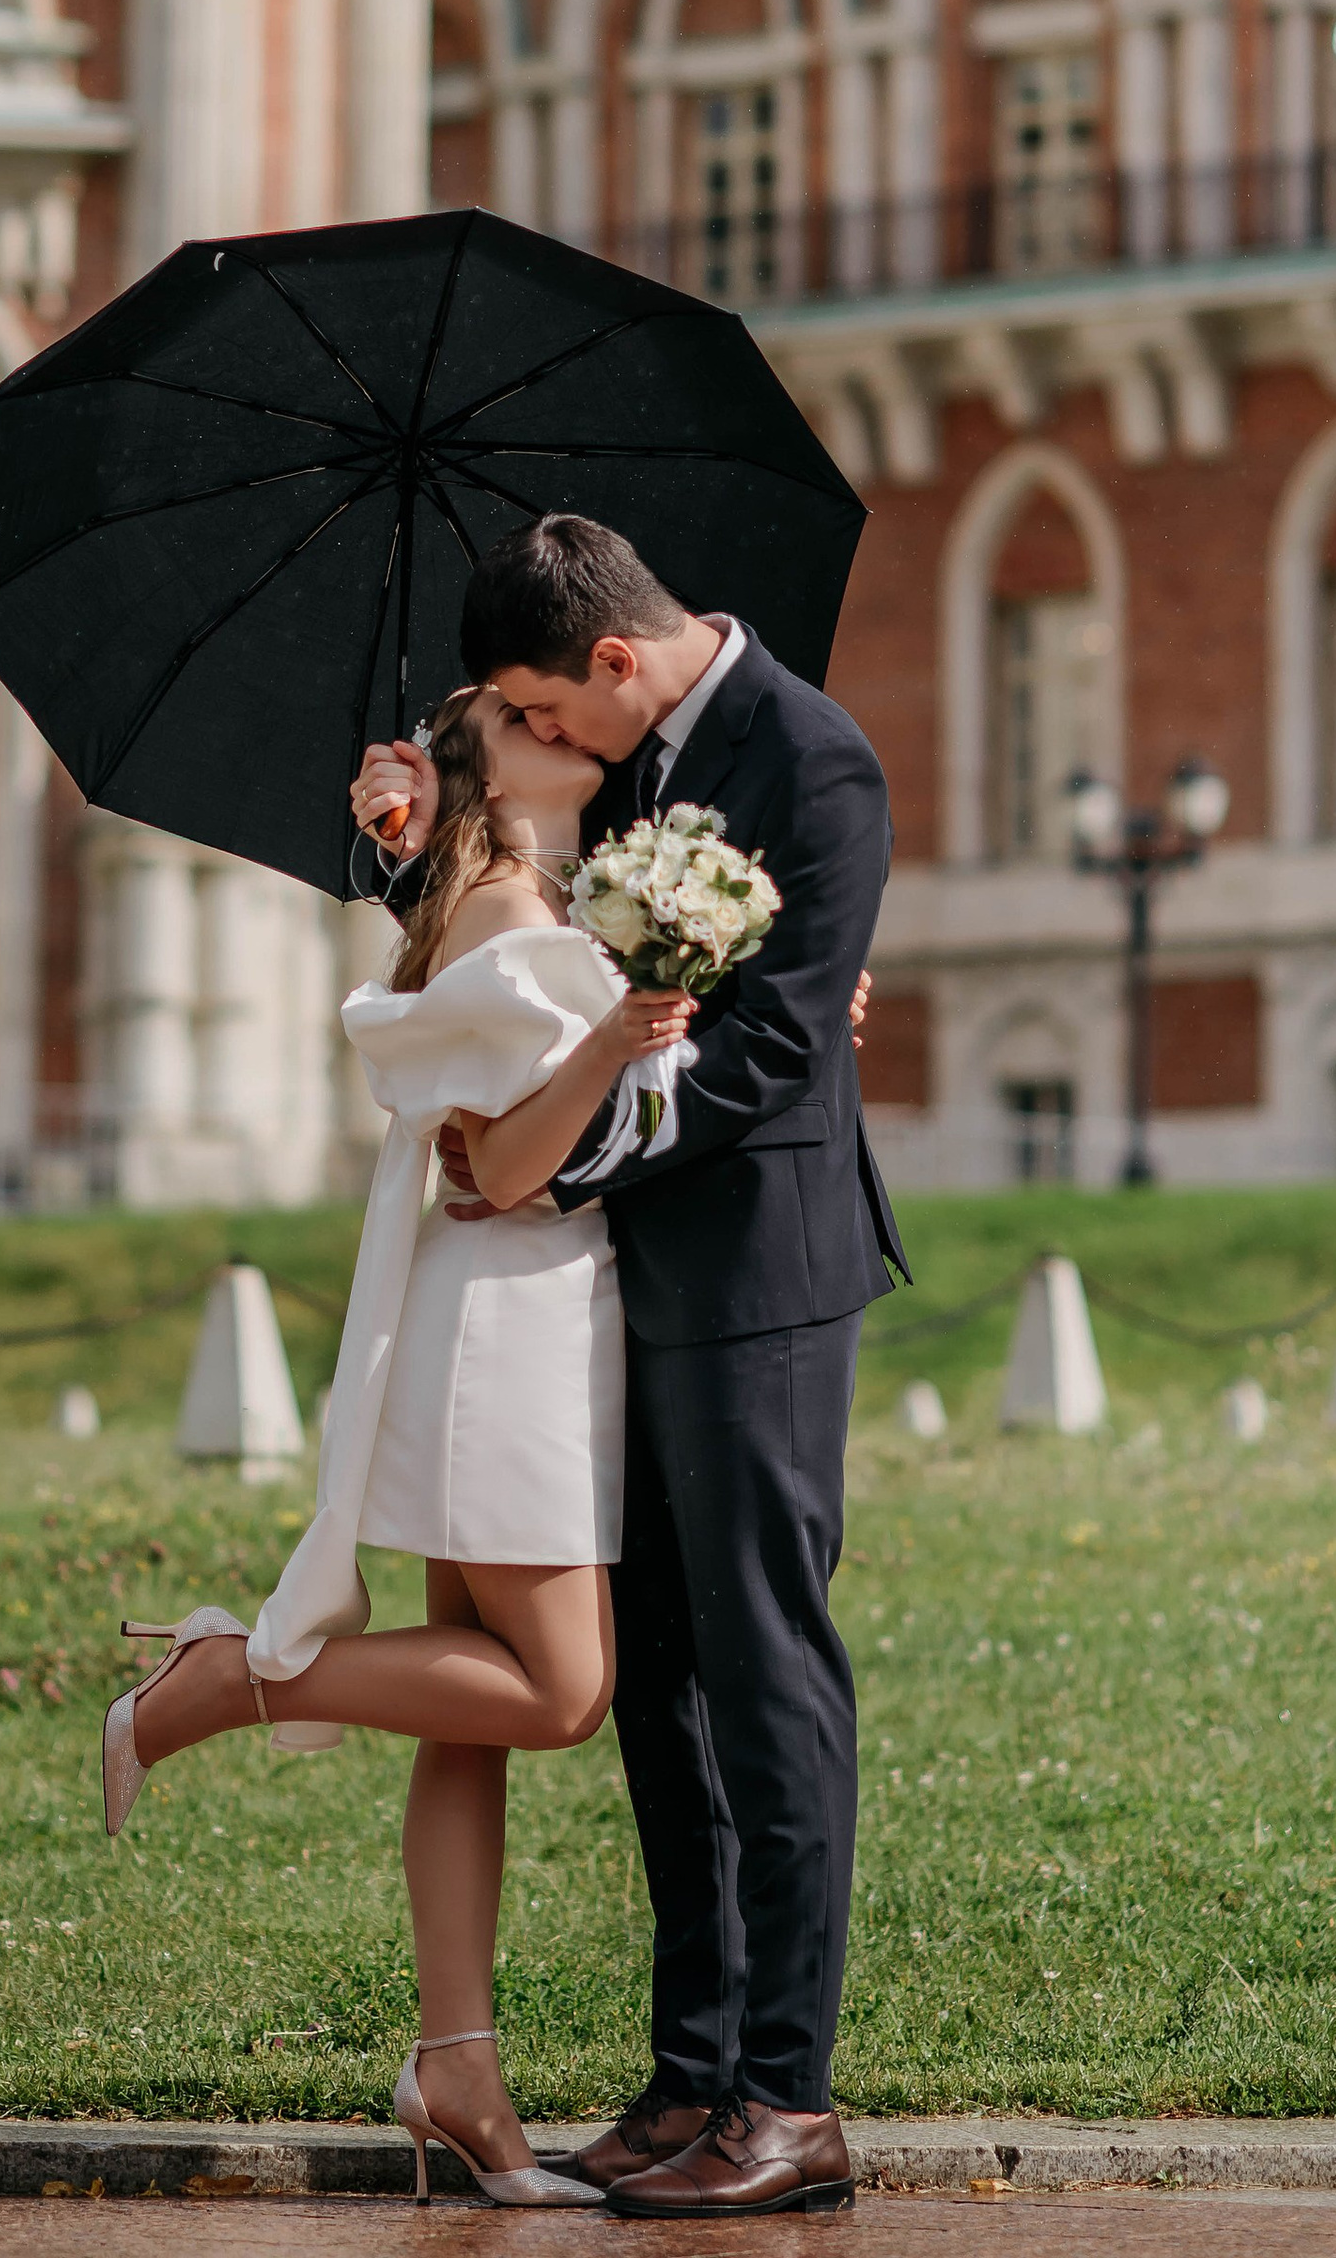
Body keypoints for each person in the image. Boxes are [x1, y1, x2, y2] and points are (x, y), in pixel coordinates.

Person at [350, 514, 906, 2221]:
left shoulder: (816, 761)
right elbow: (535, 939)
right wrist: (402, 840)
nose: (551, 739)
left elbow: (773, 1053)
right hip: (617, 1293)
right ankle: (695, 2070)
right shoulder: (623, 763)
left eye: (540, 706)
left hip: (757, 1276)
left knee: (766, 1666)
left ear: (608, 660)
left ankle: (790, 2103)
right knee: (658, 1680)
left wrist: (562, 1159)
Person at [104, 679, 695, 2209]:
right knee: (562, 1694)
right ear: (478, 770)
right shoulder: (507, 917)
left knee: (466, 1719)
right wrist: (620, 1032)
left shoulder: (519, 901)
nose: (565, 728)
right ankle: (233, 1679)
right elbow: (502, 1162)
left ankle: (459, 2071)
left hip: (506, 1322)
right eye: (521, 718)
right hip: (506, 1338)